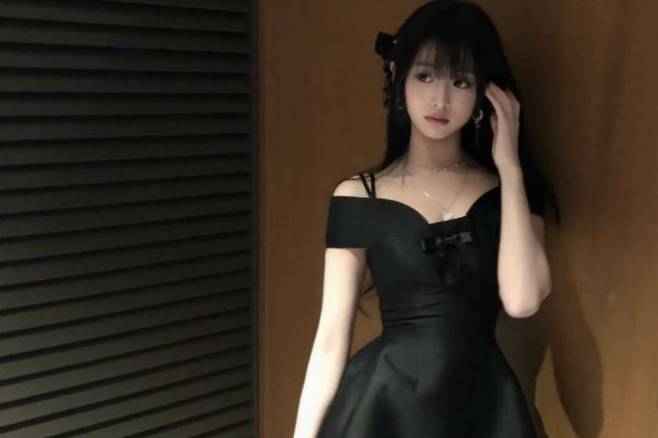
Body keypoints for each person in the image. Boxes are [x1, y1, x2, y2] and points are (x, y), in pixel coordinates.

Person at [293, 1, 561, 437]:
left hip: (483, 410)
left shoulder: (510, 195)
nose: (440, 99)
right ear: (398, 77)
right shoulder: (358, 196)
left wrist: (510, 168)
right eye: (425, 75)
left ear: (485, 94)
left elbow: (522, 301)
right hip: (383, 408)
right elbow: (329, 339)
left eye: (461, 81)